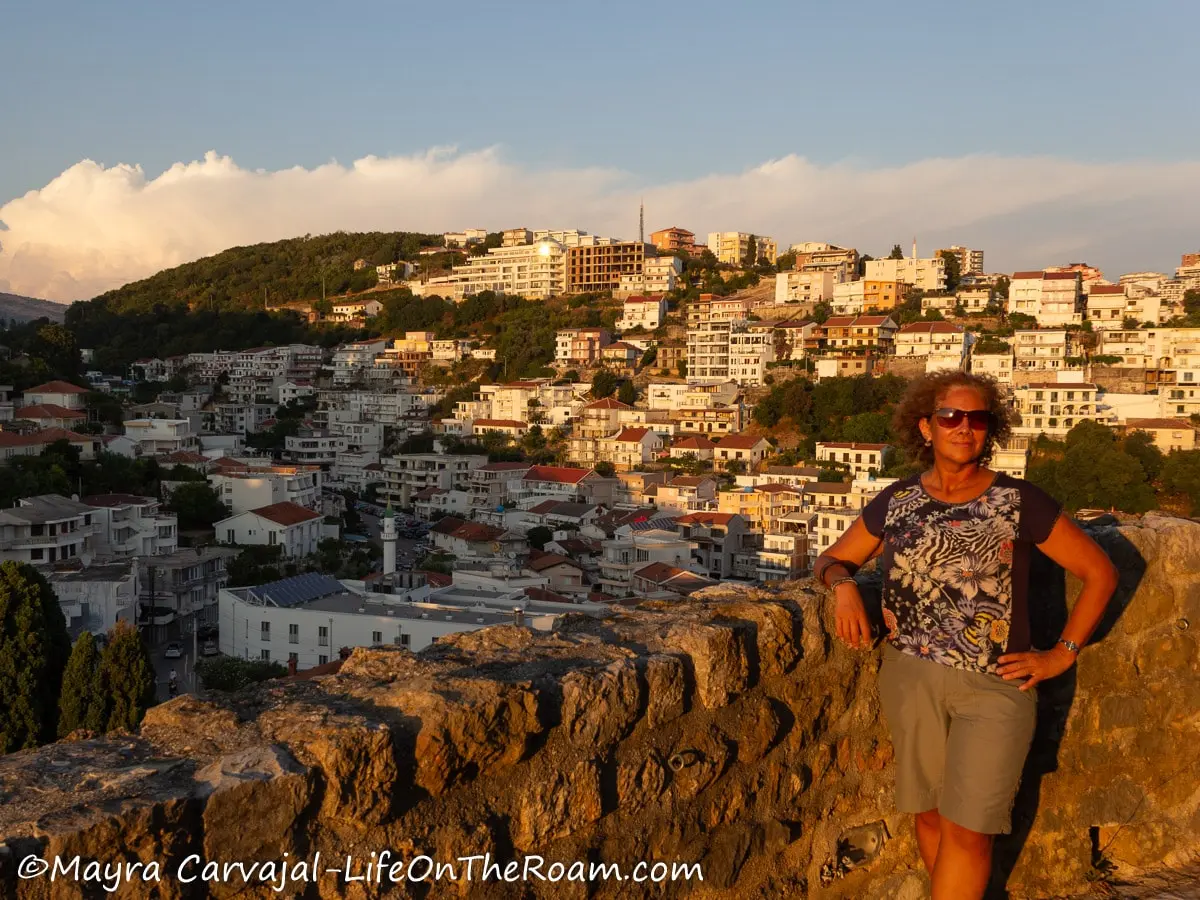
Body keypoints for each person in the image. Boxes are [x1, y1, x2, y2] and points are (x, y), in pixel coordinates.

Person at [813, 371, 1118, 900]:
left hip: (994, 685)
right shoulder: (898, 499)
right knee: (930, 817)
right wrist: (842, 586)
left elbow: (1100, 572)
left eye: (978, 419)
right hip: (910, 677)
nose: (964, 428)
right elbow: (835, 558)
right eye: (951, 417)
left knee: (970, 831)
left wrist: (1062, 654)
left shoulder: (1020, 501)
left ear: (989, 431)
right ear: (925, 428)